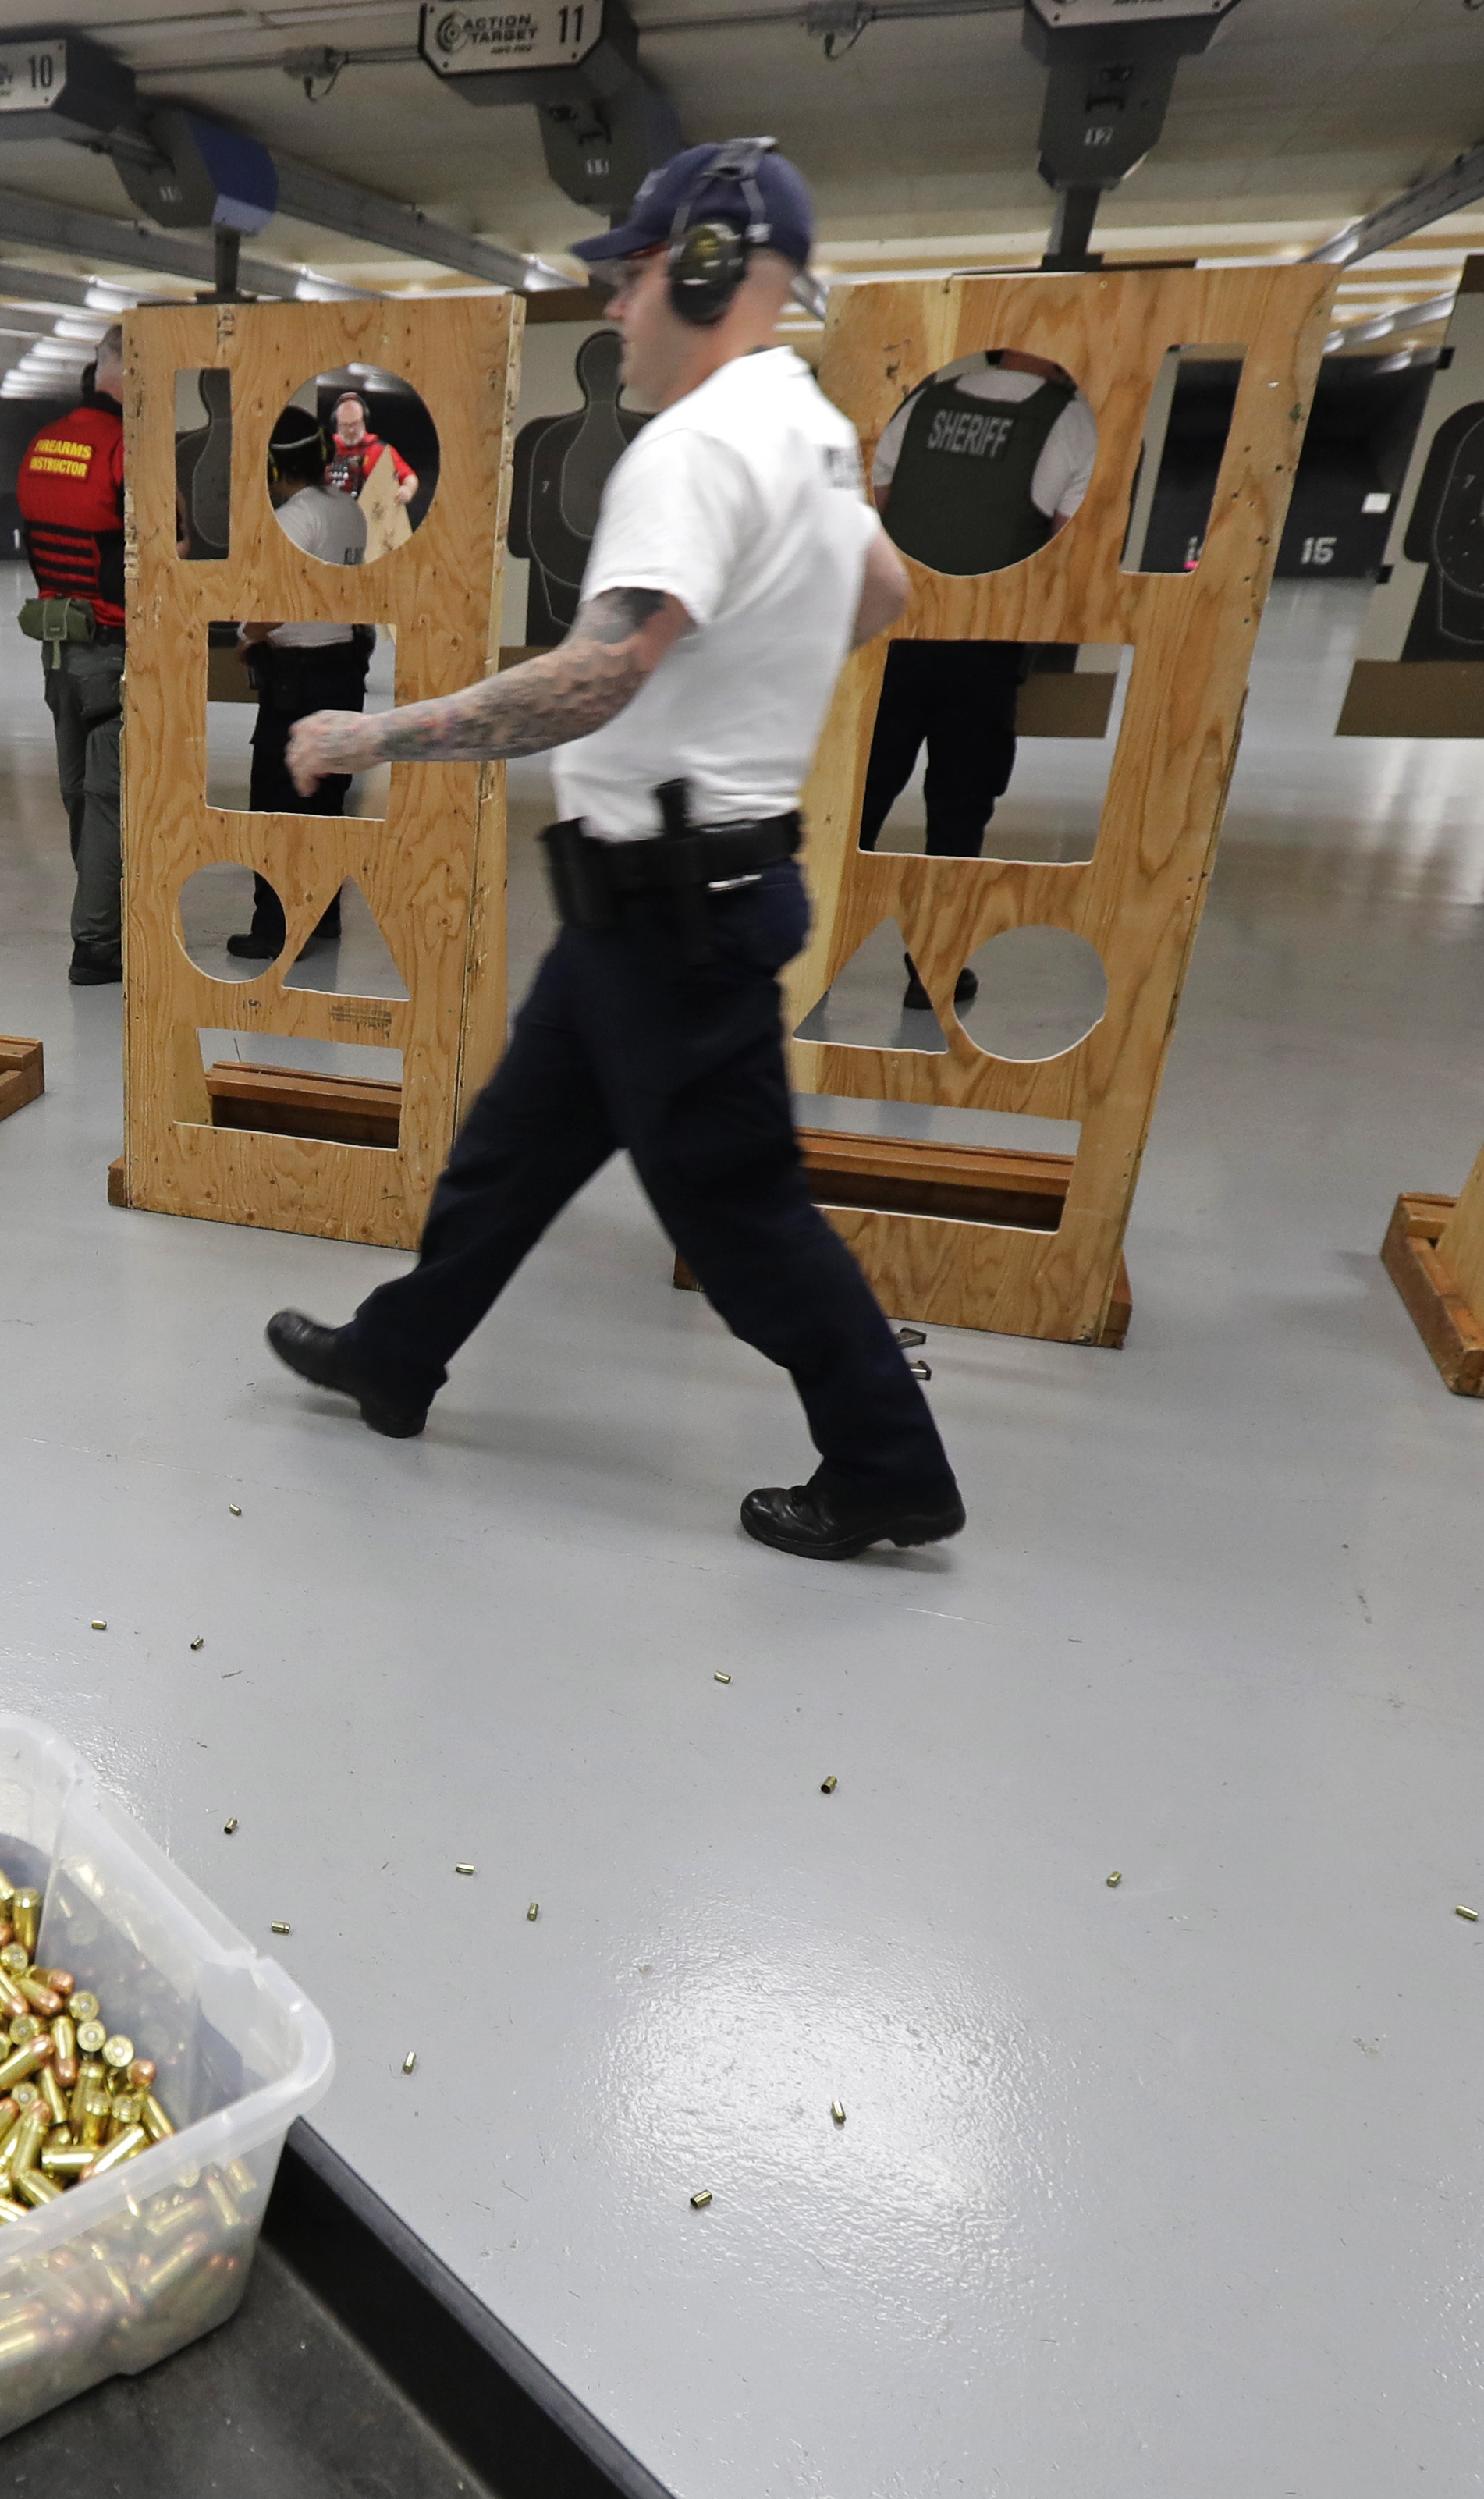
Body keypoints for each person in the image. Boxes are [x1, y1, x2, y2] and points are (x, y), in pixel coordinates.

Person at [261, 139, 965, 1562]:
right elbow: (881, 586)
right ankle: (396, 1358)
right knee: (510, 1155)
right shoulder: (807, 427)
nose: (615, 312)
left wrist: (372, 737)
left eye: (633, 278)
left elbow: (593, 679)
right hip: (657, 899)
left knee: (743, 1212)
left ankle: (890, 1463)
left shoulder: (695, 447)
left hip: (675, 908)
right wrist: (750, 684)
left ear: (704, 271)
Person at [861, 349, 1090, 887]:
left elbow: (873, 515)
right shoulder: (1072, 422)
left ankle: (815, 959)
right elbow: (1061, 556)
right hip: (985, 650)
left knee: (856, 804)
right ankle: (936, 967)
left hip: (894, 639)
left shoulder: (922, 400)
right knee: (957, 824)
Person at [12, 329, 130, 985]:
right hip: (115, 651)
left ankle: (101, 914)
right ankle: (96, 945)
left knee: (78, 795)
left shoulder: (43, 444)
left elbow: (37, 541)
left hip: (58, 649)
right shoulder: (122, 449)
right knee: (109, 798)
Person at [233, 408, 370, 961]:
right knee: (326, 801)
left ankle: (275, 930)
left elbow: (271, 610)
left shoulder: (294, 518)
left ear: (272, 464)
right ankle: (323, 917)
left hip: (296, 683)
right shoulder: (351, 511)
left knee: (277, 810)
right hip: (344, 671)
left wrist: (245, 635)